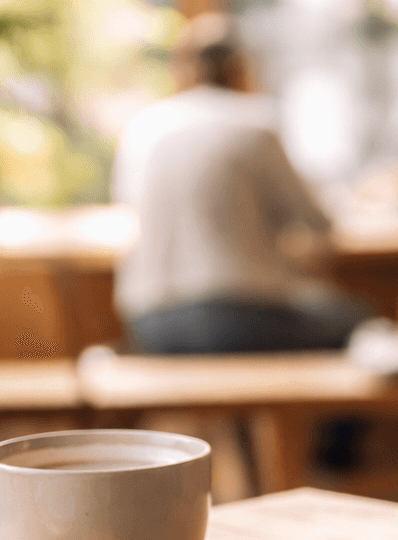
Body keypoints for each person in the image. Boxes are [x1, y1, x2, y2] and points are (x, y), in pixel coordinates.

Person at [112, 14, 373, 354]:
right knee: (358, 322)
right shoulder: (257, 124)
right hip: (241, 316)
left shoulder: (142, 128)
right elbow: (318, 221)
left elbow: (131, 210)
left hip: (150, 324)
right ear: (242, 69)